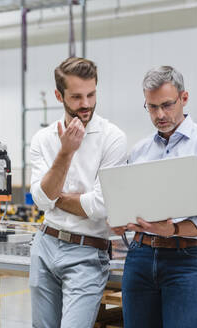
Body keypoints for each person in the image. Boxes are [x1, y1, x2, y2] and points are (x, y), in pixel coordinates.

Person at [117, 66, 197, 328]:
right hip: (140, 257)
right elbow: (130, 202)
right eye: (152, 107)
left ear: (184, 98)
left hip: (188, 262)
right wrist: (121, 218)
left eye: (167, 105)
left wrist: (173, 229)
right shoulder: (140, 150)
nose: (160, 115)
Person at [29, 57, 127, 328]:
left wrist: (53, 198)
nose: (86, 104)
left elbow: (101, 206)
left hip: (87, 251)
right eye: (76, 97)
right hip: (45, 245)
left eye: (91, 94)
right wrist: (66, 152)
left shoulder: (113, 138)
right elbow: (39, 201)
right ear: (59, 95)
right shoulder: (43, 140)